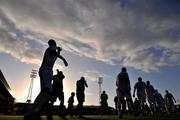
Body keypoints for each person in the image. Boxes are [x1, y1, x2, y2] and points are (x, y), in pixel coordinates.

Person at [24, 39, 68, 120]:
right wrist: (64, 59)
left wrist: (59, 52)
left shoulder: (52, 51)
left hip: (47, 70)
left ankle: (34, 113)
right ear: (53, 44)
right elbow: (54, 53)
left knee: (46, 93)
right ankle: (31, 113)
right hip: (46, 70)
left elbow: (55, 56)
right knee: (47, 92)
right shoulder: (51, 48)